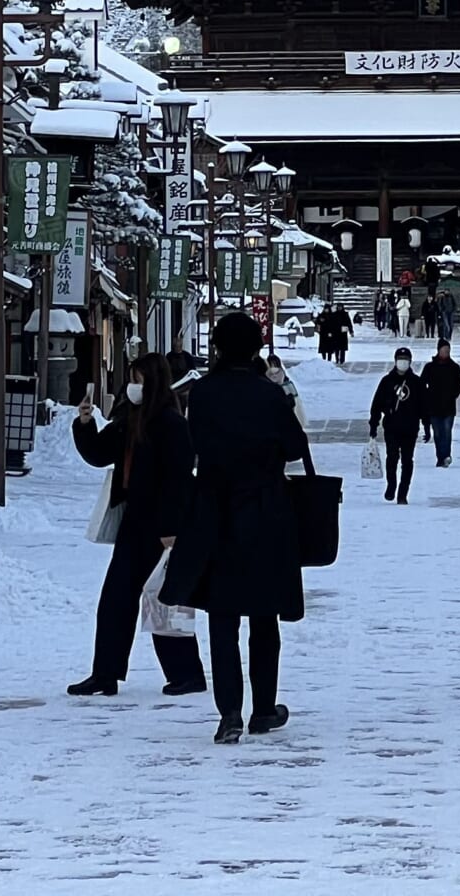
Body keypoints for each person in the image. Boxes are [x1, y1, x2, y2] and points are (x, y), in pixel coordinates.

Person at [161, 312, 308, 744]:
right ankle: (264, 708)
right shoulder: (269, 395)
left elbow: (194, 447)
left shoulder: (202, 393)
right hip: (265, 512)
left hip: (214, 509)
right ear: (257, 347)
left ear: (220, 347)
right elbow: (296, 446)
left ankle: (229, 713)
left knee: (222, 617)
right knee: (264, 616)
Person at [67, 354, 206, 699]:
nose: (133, 387)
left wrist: (171, 526)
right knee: (117, 597)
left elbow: (178, 479)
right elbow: (100, 454)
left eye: (139, 380)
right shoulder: (129, 418)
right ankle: (105, 673)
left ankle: (186, 673)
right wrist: (84, 424)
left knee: (164, 598)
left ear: (154, 383)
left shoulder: (171, 424)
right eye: (132, 378)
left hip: (161, 523)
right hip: (134, 518)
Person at [369, 345, 424, 503]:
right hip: (392, 426)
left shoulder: (416, 382)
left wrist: (426, 425)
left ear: (410, 362)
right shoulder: (387, 381)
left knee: (407, 460)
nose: (402, 363)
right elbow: (377, 405)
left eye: (405, 360)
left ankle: (403, 492)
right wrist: (373, 425)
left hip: (410, 427)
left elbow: (424, 405)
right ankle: (391, 484)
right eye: (400, 360)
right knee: (392, 457)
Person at [420, 338, 460, 466]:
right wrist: (427, 396)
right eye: (444, 350)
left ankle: (446, 455)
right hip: (434, 405)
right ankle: (440, 456)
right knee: (437, 433)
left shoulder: (454, 367)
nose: (446, 352)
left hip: (449, 405)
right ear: (439, 350)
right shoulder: (430, 367)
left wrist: (452, 395)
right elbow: (422, 384)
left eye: (448, 350)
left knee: (447, 432)